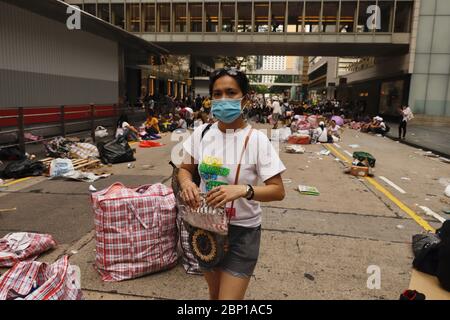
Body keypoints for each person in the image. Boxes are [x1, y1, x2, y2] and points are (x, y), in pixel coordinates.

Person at [178, 67, 286, 300]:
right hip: (206, 227)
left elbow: (278, 191)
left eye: (231, 92)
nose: (223, 99)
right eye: (217, 94)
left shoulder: (257, 141)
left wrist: (243, 190)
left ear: (244, 99)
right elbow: (185, 170)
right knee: (215, 294)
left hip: (242, 232)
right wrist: (187, 184)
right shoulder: (202, 133)